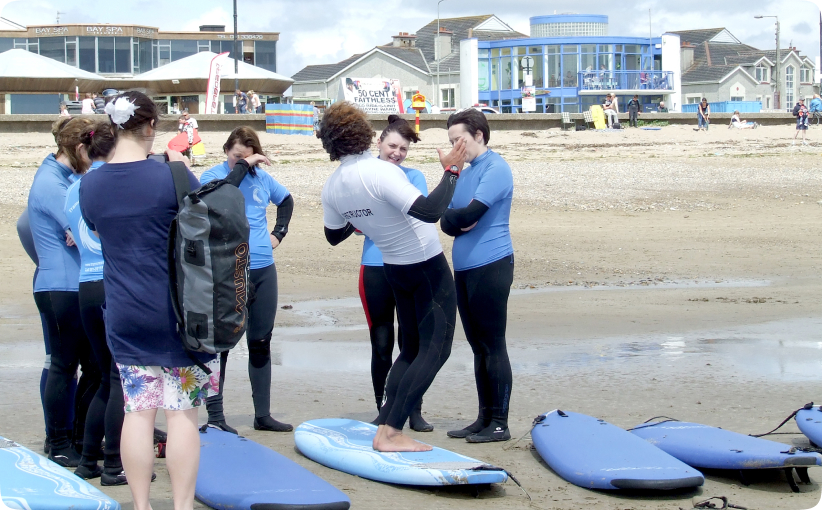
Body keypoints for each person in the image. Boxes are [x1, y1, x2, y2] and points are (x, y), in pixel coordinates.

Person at [79, 91, 219, 510]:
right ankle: (181, 505)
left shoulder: (91, 183)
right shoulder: (172, 176)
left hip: (124, 310)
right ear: (151, 126)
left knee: (137, 413)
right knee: (182, 415)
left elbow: (101, 234)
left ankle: (141, 505)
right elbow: (205, 229)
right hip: (180, 314)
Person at [320, 102, 465, 452]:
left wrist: (368, 217)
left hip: (394, 267)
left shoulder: (333, 186)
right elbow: (430, 212)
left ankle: (386, 420)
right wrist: (452, 172)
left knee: (411, 349)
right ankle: (391, 431)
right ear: (365, 134)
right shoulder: (380, 172)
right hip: (425, 265)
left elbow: (334, 235)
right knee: (437, 348)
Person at [201, 127, 294, 434]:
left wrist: (278, 233)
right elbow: (221, 198)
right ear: (226, 151)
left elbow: (286, 200)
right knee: (222, 344)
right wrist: (243, 166)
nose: (241, 162)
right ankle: (215, 416)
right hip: (229, 269)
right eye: (236, 156)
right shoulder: (211, 177)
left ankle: (262, 415)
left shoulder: (262, 179)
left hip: (264, 268)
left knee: (261, 340)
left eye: (247, 157)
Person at [440, 109, 515, 443]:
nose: (456, 147)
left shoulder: (496, 169)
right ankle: (483, 418)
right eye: (451, 142)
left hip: (492, 264)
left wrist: (459, 219)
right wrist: (451, 177)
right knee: (476, 346)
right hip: (465, 269)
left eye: (460, 141)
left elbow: (471, 214)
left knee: (492, 344)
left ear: (479, 136)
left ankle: (500, 422)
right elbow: (443, 219)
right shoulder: (465, 174)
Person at [28, 116, 99, 467]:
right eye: (93, 151)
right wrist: (79, 229)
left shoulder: (68, 178)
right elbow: (86, 225)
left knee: (92, 366)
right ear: (78, 148)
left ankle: (76, 436)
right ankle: (57, 441)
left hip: (76, 284)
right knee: (63, 364)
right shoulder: (50, 182)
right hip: (58, 287)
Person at [356, 115, 432, 432]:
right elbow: (358, 224)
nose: (397, 153)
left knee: (411, 342)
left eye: (403, 148)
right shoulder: (361, 176)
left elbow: (422, 217)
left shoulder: (414, 177)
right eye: (392, 146)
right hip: (374, 267)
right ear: (379, 143)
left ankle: (412, 409)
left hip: (410, 264)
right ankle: (382, 408)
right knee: (382, 342)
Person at [64, 121, 128, 484]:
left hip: (85, 284)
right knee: (118, 379)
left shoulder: (73, 188)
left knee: (105, 378)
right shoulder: (112, 183)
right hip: (112, 281)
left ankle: (90, 462)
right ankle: (114, 463)